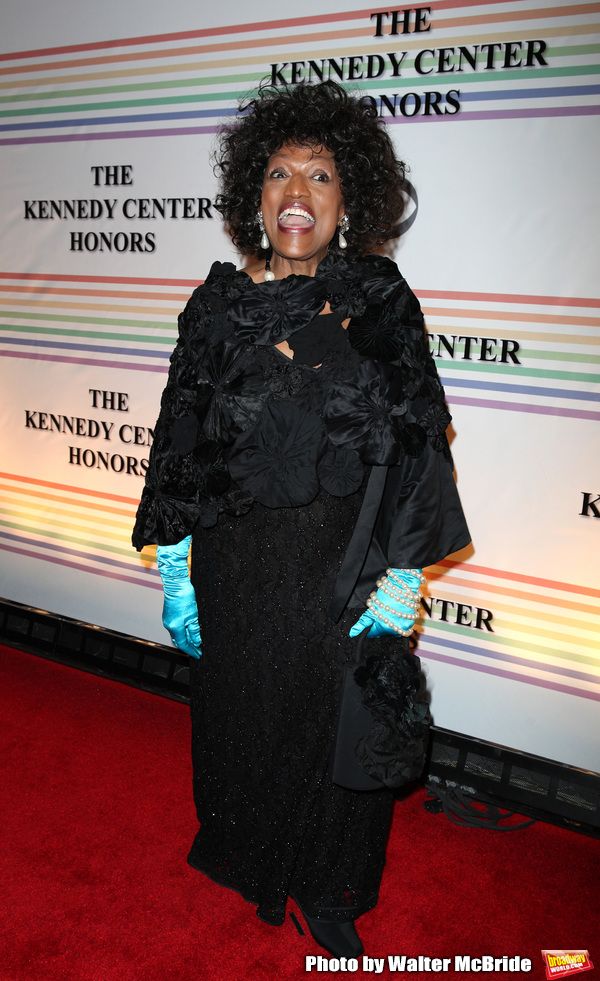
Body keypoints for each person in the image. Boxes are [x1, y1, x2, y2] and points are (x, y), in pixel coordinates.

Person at [132, 80, 470, 958]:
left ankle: (330, 890)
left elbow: (420, 440)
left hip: (343, 561)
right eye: (280, 172)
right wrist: (176, 564)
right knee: (243, 716)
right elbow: (179, 437)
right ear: (255, 193)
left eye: (320, 176)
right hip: (238, 565)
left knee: (338, 742)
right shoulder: (214, 307)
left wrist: (404, 576)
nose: (297, 194)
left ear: (347, 200)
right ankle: (249, 855)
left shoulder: (380, 300)